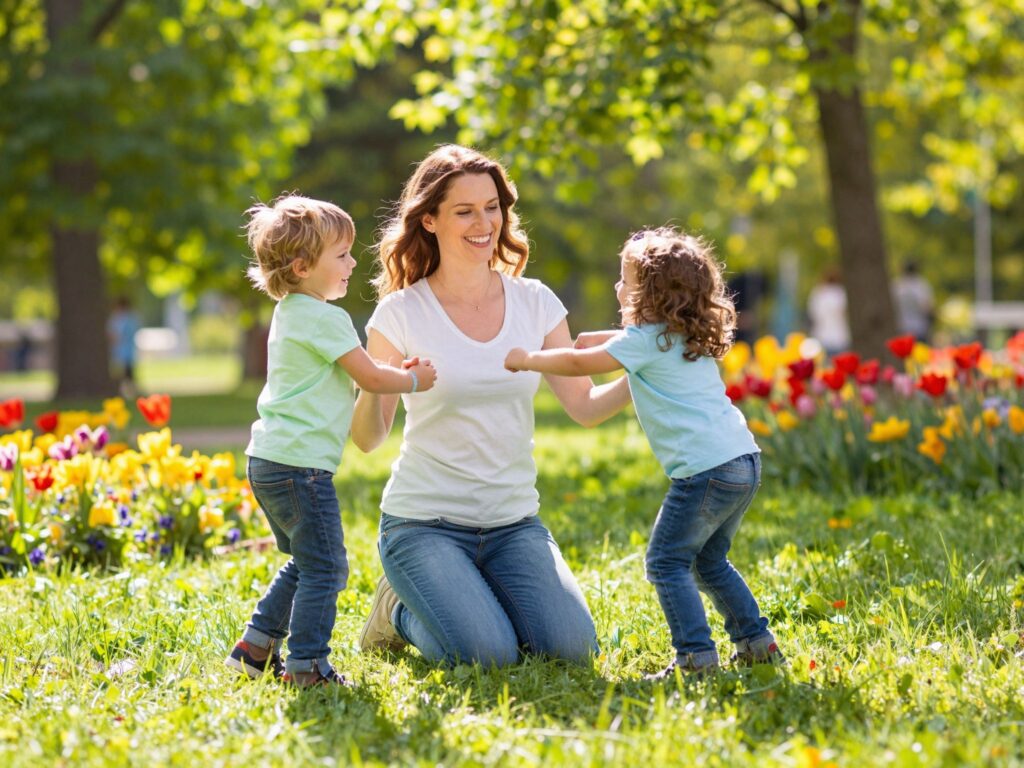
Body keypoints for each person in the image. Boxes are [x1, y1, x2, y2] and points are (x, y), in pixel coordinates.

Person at [351, 145, 631, 667]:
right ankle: (397, 612)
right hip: (423, 524)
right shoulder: (401, 312)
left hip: (513, 524)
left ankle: (473, 597)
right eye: (465, 211)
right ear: (429, 219)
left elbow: (585, 408)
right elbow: (367, 439)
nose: (484, 223)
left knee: (572, 652)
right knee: (489, 656)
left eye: (492, 207)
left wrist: (639, 375)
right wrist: (376, 381)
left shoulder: (537, 302)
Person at [504, 227, 782, 678]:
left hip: (704, 472)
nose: (618, 287)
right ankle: (757, 644)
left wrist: (528, 359)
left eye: (625, 281)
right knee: (710, 562)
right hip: (742, 462)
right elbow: (615, 344)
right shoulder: (682, 335)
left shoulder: (646, 342)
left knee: (666, 562)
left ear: (651, 294)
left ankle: (695, 657)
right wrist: (596, 338)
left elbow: (579, 365)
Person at [224, 194, 437, 687]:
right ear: (302, 266)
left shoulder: (291, 312)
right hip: (300, 468)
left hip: (271, 461)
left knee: (307, 559)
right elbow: (371, 378)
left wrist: (386, 372)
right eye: (340, 255)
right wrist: (412, 380)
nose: (351, 263)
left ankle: (254, 647)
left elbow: (362, 372)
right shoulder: (326, 318)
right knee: (328, 568)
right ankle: (307, 666)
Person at [806, 268, 850, 357]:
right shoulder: (841, 293)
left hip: (821, 336)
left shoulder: (818, 293)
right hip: (840, 337)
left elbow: (812, 314)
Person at [893, 261, 935, 342]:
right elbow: (927, 308)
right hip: (919, 328)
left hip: (901, 327)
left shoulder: (896, 285)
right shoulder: (922, 285)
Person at [107, 297, 141, 394]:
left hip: (126, 350)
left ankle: (129, 391)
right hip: (118, 350)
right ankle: (122, 390)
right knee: (120, 372)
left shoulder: (129, 318)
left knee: (128, 372)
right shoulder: (116, 318)